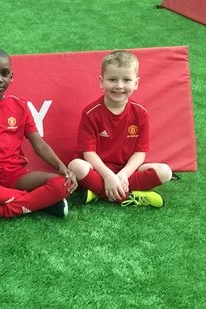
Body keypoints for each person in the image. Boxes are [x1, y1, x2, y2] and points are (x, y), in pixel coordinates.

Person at [0, 49, 77, 225]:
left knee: (63, 184)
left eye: (4, 74)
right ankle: (41, 202)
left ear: (11, 76)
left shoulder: (20, 106)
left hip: (16, 174)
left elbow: (39, 144)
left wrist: (62, 168)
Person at [68, 50, 172, 208]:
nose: (119, 86)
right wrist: (108, 176)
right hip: (99, 170)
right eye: (112, 79)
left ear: (136, 83)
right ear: (101, 81)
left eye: (126, 80)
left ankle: (98, 192)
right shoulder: (90, 113)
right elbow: (88, 153)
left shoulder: (140, 113)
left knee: (166, 172)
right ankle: (130, 197)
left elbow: (140, 153)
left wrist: (123, 175)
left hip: (127, 171)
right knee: (75, 166)